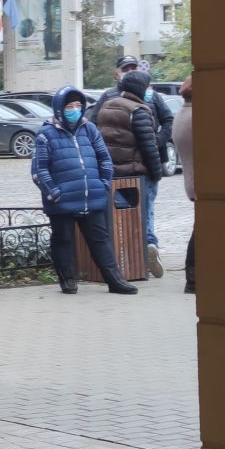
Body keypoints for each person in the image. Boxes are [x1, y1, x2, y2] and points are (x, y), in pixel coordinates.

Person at [31, 86, 138, 295]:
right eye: (69, 106)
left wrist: (103, 184)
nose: (75, 110)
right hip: (62, 200)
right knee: (63, 240)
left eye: (78, 105)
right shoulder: (46, 134)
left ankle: (115, 280)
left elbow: (104, 159)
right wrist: (54, 192)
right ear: (59, 108)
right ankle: (68, 280)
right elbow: (39, 169)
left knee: (100, 239)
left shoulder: (89, 129)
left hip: (92, 196)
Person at [85, 55, 173, 276]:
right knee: (144, 211)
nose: (130, 71)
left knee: (125, 213)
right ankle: (146, 247)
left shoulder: (111, 104)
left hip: (115, 171)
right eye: (126, 68)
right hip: (137, 171)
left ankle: (127, 255)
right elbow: (147, 147)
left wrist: (159, 140)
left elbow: (166, 122)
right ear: (118, 72)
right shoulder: (134, 107)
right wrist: (156, 172)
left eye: (134, 68)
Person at [172, 75, 195, 294]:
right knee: (202, 232)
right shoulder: (195, 116)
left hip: (193, 183)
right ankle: (193, 279)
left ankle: (193, 279)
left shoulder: (182, 113)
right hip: (202, 184)